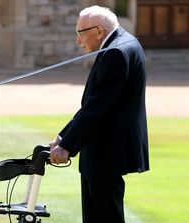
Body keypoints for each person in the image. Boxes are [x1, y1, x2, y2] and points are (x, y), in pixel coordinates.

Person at [49, 5, 149, 223]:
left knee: (104, 216)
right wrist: (64, 136)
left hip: (107, 149)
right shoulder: (124, 42)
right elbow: (94, 104)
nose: (78, 41)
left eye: (81, 33)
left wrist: (67, 146)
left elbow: (96, 108)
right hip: (107, 148)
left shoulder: (115, 52)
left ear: (99, 31)